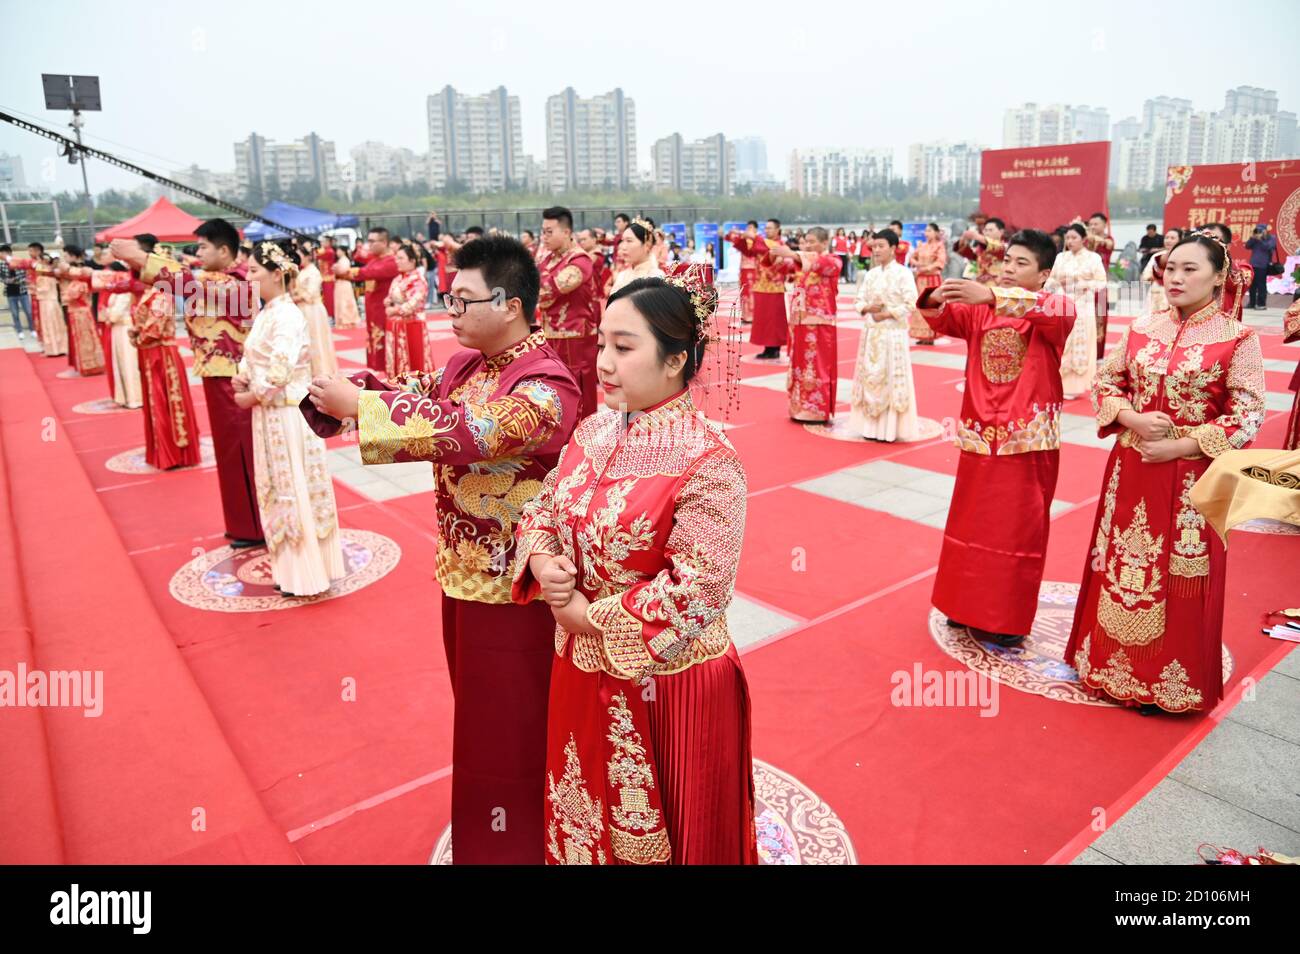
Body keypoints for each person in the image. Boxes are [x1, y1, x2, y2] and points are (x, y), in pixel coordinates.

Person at [305, 235, 580, 864]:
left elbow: (476, 432)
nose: (449, 311)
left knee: (512, 722)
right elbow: (418, 395)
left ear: (510, 305)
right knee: (480, 716)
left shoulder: (546, 384)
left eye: (463, 300)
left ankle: (524, 842)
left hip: (517, 586)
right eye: (447, 299)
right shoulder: (462, 366)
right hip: (461, 575)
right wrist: (350, 392)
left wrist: (368, 410)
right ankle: (495, 837)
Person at [512, 272, 757, 865]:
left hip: (668, 684)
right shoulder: (595, 429)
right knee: (582, 809)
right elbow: (544, 502)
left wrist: (584, 614)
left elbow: (698, 593)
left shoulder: (708, 461)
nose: (603, 362)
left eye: (624, 348)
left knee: (670, 822)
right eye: (602, 344)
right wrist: (544, 560)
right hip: (578, 665)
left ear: (676, 360)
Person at [1064, 231, 1266, 714]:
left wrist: (1182, 444)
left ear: (1220, 277)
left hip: (1193, 483)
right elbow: (1107, 380)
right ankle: (1107, 666)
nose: (1175, 277)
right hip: (1131, 471)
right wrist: (1131, 419)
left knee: (1181, 574)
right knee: (1121, 564)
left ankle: (1168, 684)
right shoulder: (1142, 326)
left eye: (1190, 269)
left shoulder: (1238, 339)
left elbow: (1248, 412)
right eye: (1170, 267)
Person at [922, 230, 1077, 645]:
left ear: (1044, 274)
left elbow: (1058, 310)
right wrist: (935, 299)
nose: (1009, 267)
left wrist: (989, 294)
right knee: (969, 526)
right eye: (1007, 259)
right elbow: (939, 318)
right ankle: (962, 605)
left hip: (1027, 439)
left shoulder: (1054, 308)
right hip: (978, 434)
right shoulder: (979, 312)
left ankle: (1004, 618)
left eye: (1021, 263)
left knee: (1015, 531)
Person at [112, 218, 264, 548]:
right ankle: (243, 522)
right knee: (229, 453)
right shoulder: (220, 279)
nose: (198, 253)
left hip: (233, 377)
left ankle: (253, 526)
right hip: (217, 374)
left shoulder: (238, 284)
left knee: (240, 451)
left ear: (224, 250)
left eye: (203, 247)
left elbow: (188, 285)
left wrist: (144, 259)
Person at [231, 241, 344, 597]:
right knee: (280, 489)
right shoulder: (268, 312)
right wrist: (242, 373)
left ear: (277, 274)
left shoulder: (288, 314)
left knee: (292, 489)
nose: (248, 278)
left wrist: (252, 393)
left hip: (285, 414)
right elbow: (255, 355)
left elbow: (279, 370)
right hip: (270, 414)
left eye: (253, 272)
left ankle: (306, 573)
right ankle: (293, 570)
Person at [121, 240, 202, 470]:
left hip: (161, 354)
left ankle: (174, 453)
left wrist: (137, 336)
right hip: (149, 353)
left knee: (165, 400)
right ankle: (163, 451)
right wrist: (136, 331)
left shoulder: (162, 293)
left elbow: (154, 328)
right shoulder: (150, 292)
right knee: (155, 401)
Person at [850, 229, 921, 441]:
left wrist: (887, 313)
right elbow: (858, 301)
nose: (876, 250)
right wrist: (867, 308)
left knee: (890, 378)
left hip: (893, 335)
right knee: (870, 377)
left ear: (893, 248)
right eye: (874, 247)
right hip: (871, 336)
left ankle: (890, 430)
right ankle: (870, 428)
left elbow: (911, 303)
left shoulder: (903, 273)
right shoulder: (870, 274)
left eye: (881, 246)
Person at [768, 227, 841, 423]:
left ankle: (816, 410)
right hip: (799, 322)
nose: (807, 245)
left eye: (812, 241)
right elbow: (780, 269)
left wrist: (792, 254)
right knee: (799, 364)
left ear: (825, 243)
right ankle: (799, 408)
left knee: (817, 366)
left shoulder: (833, 261)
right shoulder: (802, 265)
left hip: (819, 324)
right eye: (805, 241)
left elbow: (818, 263)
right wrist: (775, 256)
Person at [537, 205, 598, 420]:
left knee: (578, 392)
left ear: (566, 232)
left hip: (576, 338)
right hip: (549, 336)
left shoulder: (580, 260)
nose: (544, 236)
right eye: (543, 231)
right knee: (552, 390)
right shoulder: (547, 259)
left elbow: (548, 289)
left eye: (549, 231)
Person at [1047, 224, 1107, 399]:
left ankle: (1075, 385)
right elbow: (1049, 279)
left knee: (1078, 344)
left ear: (1083, 239)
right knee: (1061, 342)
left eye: (1074, 237)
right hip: (1061, 304)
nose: (1070, 241)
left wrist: (1080, 284)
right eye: (1068, 238)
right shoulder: (1060, 257)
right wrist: (1058, 283)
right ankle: (1056, 380)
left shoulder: (1093, 258)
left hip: (1083, 306)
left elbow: (1101, 282)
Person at [334, 226, 398, 372]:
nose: (369, 245)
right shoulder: (376, 258)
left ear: (384, 242)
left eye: (372, 241)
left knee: (382, 342)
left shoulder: (391, 261)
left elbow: (369, 272)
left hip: (384, 310)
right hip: (373, 310)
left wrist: (346, 272)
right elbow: (358, 257)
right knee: (373, 341)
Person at [383, 243, 431, 377]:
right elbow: (390, 296)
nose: (397, 261)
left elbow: (413, 303)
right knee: (396, 358)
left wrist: (394, 310)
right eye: (396, 258)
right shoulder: (398, 279)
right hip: (396, 325)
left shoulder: (418, 280)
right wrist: (387, 301)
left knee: (413, 360)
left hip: (412, 326)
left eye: (400, 258)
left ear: (412, 261)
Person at [292, 242, 338, 378]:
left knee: (315, 338)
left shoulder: (313, 272)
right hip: (303, 309)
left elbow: (310, 294)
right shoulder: (303, 271)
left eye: (299, 255)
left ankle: (321, 370)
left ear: (306, 257)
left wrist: (294, 297)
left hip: (312, 310)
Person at [57, 246, 106, 376]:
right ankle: (85, 366)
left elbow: (71, 294)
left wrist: (65, 269)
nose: (65, 259)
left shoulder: (82, 271)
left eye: (66, 256)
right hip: (78, 312)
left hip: (80, 313)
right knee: (82, 340)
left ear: (73, 256)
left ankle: (88, 366)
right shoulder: (77, 274)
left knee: (84, 340)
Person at [749, 218, 791, 360]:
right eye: (765, 228)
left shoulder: (779, 245)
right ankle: (768, 348)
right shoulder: (763, 244)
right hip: (761, 285)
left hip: (774, 287)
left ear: (778, 229)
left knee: (774, 320)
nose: (767, 230)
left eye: (770, 228)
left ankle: (775, 348)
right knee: (764, 320)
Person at [103, 263, 142, 408]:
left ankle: (135, 398)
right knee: (121, 363)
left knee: (128, 363)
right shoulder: (117, 291)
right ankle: (127, 397)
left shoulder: (125, 291)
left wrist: (107, 313)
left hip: (125, 328)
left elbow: (114, 315)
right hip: (118, 330)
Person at [1084, 212, 1115, 358]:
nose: (1093, 226)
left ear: (1104, 225)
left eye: (1096, 224)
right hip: (1085, 286)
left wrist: (1092, 237)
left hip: (1100, 286)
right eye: (1091, 224)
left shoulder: (1108, 240)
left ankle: (1098, 354)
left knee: (1100, 317)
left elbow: (1108, 245)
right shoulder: (1086, 240)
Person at [910, 223, 947, 344]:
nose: (927, 233)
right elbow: (912, 257)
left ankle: (931, 334)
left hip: (932, 280)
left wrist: (927, 268)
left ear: (936, 233)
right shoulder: (922, 245)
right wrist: (917, 264)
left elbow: (940, 261)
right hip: (920, 280)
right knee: (920, 305)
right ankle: (921, 335)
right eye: (926, 231)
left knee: (931, 306)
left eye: (930, 231)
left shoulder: (939, 246)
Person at [609, 218, 663, 295]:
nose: (623, 247)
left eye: (629, 241)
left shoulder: (656, 277)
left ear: (647, 245)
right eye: (623, 241)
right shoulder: (622, 275)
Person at [724, 221, 763, 324]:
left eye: (751, 227)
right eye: (748, 227)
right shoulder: (743, 238)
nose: (749, 229)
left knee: (753, 293)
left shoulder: (759, 239)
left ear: (755, 229)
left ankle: (754, 316)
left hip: (755, 270)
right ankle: (746, 316)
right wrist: (735, 232)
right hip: (744, 270)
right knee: (745, 292)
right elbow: (728, 237)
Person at [1141, 228, 1182, 315]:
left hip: (1175, 294)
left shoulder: (1184, 256)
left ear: (1180, 240)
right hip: (1155, 294)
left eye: (1172, 238)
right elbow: (1145, 275)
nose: (1168, 241)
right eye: (1166, 238)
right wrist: (1154, 276)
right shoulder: (1157, 256)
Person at [956, 217, 1007, 285]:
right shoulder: (979, 249)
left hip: (996, 286)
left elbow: (992, 245)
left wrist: (976, 236)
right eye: (985, 230)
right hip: (978, 284)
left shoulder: (1005, 247)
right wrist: (963, 238)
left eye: (990, 230)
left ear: (1001, 232)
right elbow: (963, 251)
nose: (987, 233)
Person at [0, 244, 35, 340]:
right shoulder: (1, 264)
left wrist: (16, 280)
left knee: (28, 312)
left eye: (4, 253)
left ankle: (33, 330)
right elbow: (1, 277)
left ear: (10, 253)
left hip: (22, 291)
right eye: (1, 254)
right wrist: (6, 280)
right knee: (14, 313)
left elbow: (27, 275)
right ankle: (19, 331)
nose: (2, 255)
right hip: (10, 293)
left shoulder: (19, 262)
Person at [1244, 223, 1277, 310]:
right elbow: (1247, 246)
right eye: (1258, 230)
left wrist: (1260, 240)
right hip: (1253, 264)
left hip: (1263, 265)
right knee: (1252, 286)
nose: (1259, 232)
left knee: (1261, 285)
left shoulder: (1271, 238)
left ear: (1265, 231)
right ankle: (1252, 303)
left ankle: (1261, 304)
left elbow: (1268, 247)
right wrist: (1253, 238)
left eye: (1261, 230)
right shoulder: (1255, 239)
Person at [332, 245, 363, 329]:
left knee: (345, 300)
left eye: (338, 250)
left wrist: (336, 269)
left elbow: (344, 271)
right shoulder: (340, 260)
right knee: (340, 300)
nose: (337, 253)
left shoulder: (345, 260)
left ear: (343, 251)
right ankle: (341, 320)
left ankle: (347, 320)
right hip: (339, 282)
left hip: (344, 282)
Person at [316, 235, 337, 322]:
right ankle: (329, 315)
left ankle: (331, 315)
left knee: (329, 298)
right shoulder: (325, 251)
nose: (322, 243)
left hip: (329, 278)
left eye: (324, 241)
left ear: (328, 242)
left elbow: (318, 255)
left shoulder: (329, 251)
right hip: (324, 278)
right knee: (325, 297)